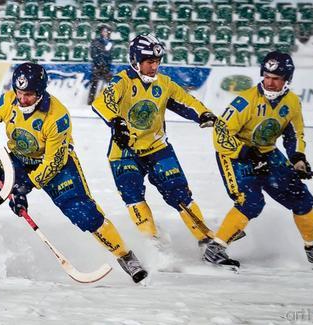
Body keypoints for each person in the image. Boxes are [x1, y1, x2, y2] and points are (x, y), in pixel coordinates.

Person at [0, 62, 147, 283]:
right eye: (19, 92)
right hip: (18, 161)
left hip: (59, 166)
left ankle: (126, 256)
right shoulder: (7, 101)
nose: (22, 99)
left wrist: (20, 187)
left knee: (84, 213)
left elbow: (52, 163)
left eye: (28, 94)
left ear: (40, 92)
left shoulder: (57, 117)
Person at [202, 51, 313, 270]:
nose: (270, 82)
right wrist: (247, 154)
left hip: (268, 152)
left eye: (276, 78)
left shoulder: (292, 102)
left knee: (300, 197)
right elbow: (221, 135)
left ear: (287, 80)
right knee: (251, 202)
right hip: (236, 154)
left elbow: (294, 133)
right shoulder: (245, 101)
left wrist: (298, 158)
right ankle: (215, 248)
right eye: (267, 76)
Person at [91, 34, 219, 248]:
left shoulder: (164, 83)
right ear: (135, 61)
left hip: (158, 148)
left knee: (179, 192)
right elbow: (102, 103)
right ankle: (152, 243)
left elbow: (186, 101)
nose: (154, 67)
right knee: (133, 195)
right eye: (149, 62)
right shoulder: (122, 81)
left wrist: (204, 114)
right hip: (124, 151)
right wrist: (117, 123)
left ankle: (206, 240)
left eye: (157, 62)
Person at [88, 26, 113, 105]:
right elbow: (93, 54)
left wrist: (107, 64)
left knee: (112, 83)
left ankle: (112, 100)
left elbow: (110, 55)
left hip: (106, 67)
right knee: (94, 84)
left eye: (107, 31)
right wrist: (100, 62)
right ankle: (90, 101)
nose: (105, 33)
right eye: (104, 31)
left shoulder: (110, 42)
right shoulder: (96, 42)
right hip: (97, 66)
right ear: (101, 32)